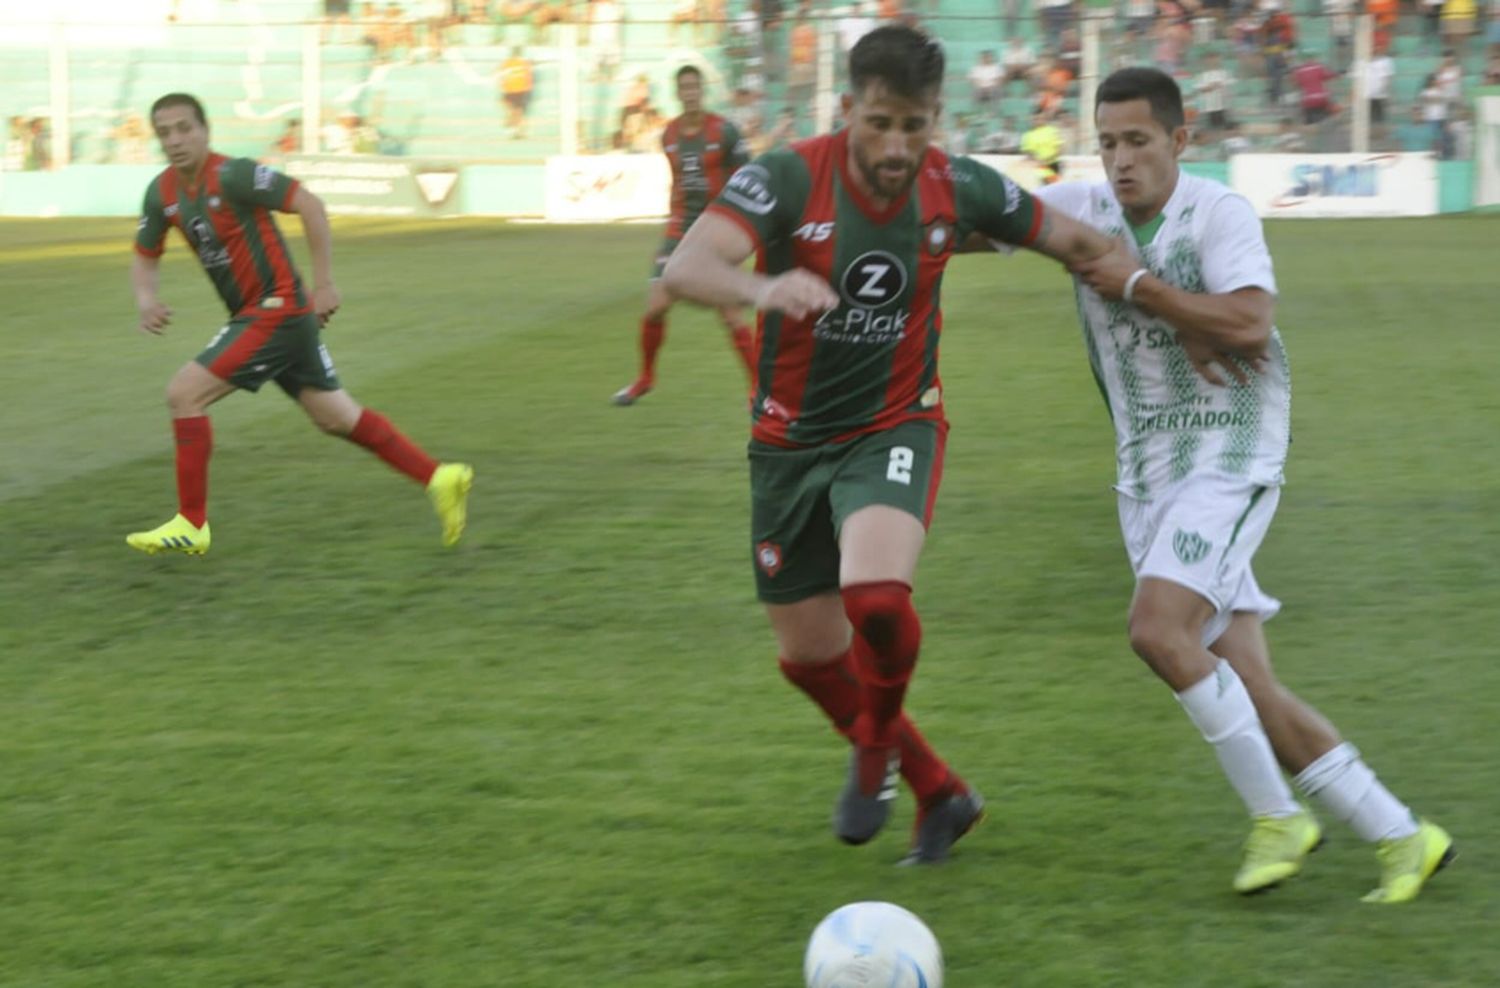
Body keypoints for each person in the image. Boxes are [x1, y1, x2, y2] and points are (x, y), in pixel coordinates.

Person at [661, 25, 1129, 863]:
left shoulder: (956, 184)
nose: (898, 145)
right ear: (847, 110)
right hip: (785, 443)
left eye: (915, 126)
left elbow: (1079, 243)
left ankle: (874, 749)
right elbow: (687, 268)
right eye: (880, 123)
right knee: (808, 660)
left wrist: (1171, 308)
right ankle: (940, 792)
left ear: (934, 119)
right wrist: (763, 284)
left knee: (876, 598)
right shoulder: (788, 175)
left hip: (893, 423)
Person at [1018, 67, 1455, 903]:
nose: (1120, 160)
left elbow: (1252, 322)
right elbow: (975, 213)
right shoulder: (1085, 209)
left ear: (1181, 141)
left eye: (1138, 141)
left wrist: (1145, 289)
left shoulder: (1218, 213)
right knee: (1246, 683)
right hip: (1148, 475)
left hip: (1229, 451)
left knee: (1157, 628)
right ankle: (1405, 837)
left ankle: (1277, 818)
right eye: (1107, 142)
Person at [127, 93, 473, 555]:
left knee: (184, 394)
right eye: (165, 132)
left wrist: (324, 284)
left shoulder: (236, 174)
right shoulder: (162, 193)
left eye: (184, 128)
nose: (175, 140)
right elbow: (145, 254)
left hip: (277, 310)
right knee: (336, 417)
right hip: (268, 316)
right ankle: (439, 477)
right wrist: (146, 299)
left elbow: (309, 204)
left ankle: (191, 523)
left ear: (205, 130)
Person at [612, 66, 758, 406]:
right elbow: (678, 182)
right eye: (684, 88)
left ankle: (757, 390)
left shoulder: (724, 131)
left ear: (702, 90)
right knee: (656, 306)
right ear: (678, 93)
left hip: (717, 229)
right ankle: (645, 378)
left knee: (730, 313)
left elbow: (747, 178)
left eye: (695, 86)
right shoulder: (670, 135)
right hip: (679, 228)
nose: (690, 92)